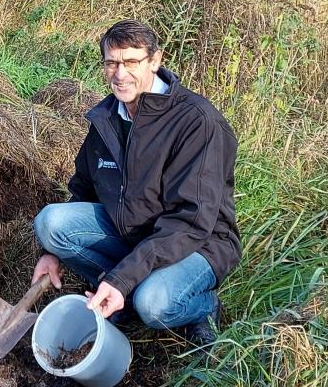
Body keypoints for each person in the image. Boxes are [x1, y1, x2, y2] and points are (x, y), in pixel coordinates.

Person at [31, 19, 242, 343]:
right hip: (133, 232)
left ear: (155, 61)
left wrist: (122, 278)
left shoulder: (195, 122)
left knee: (154, 304)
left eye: (131, 62)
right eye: (112, 62)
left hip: (198, 243)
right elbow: (84, 186)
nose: (120, 73)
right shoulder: (106, 118)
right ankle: (124, 293)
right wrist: (52, 254)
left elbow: (191, 221)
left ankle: (203, 307)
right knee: (50, 223)